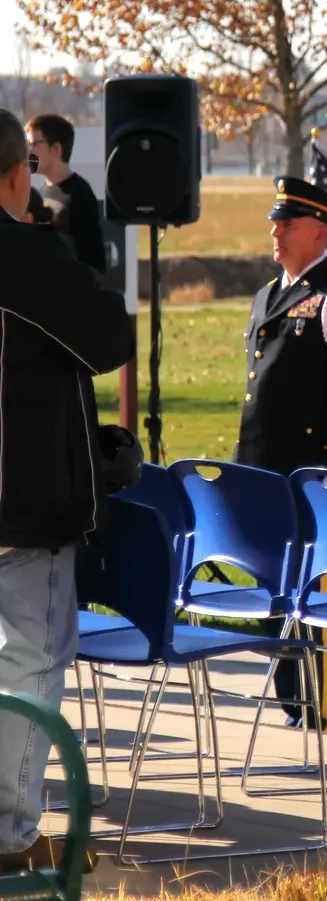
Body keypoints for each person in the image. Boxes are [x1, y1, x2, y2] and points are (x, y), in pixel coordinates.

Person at [0, 108, 134, 871]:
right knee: (29, 665)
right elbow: (109, 335)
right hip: (21, 500)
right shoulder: (22, 255)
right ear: (20, 175)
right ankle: (10, 839)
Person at [234, 176, 327, 732]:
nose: (275, 231)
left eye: (288, 224)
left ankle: (322, 708)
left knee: (315, 592)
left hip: (310, 476)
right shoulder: (267, 294)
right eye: (276, 222)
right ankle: (291, 704)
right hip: (262, 471)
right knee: (275, 593)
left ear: (319, 233)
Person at [25, 114, 106, 273]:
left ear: (56, 149)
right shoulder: (42, 192)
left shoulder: (79, 195)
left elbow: (94, 262)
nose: (29, 151)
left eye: (34, 144)